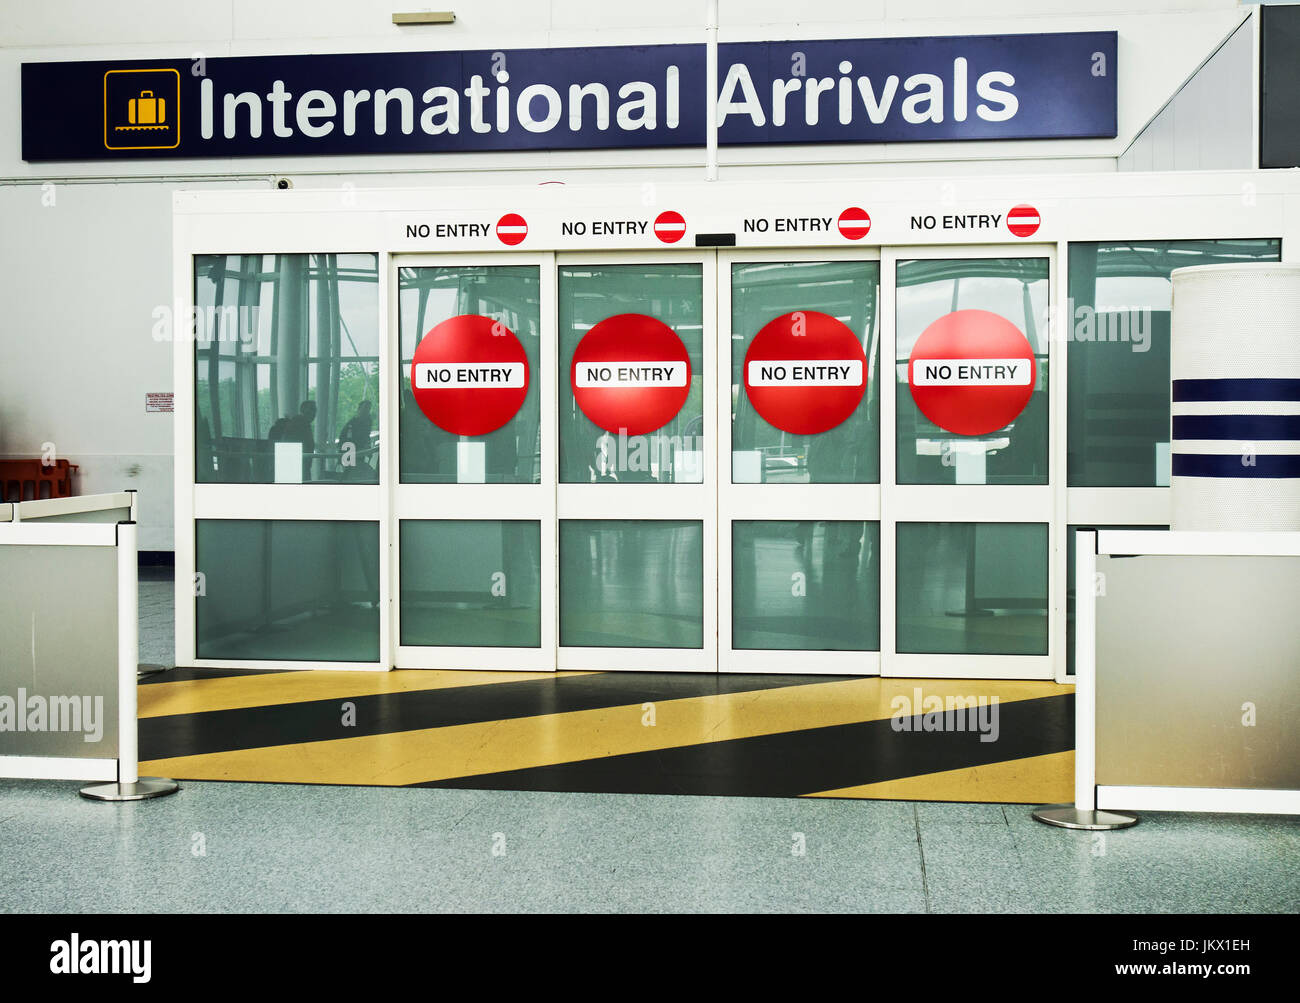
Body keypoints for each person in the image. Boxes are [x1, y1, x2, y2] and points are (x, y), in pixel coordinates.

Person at [338, 399, 374, 478]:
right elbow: (345, 440)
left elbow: (366, 436)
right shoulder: (351, 424)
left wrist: (367, 448)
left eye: (368, 409)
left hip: (360, 453)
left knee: (356, 474)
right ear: (359, 409)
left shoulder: (367, 422)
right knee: (349, 474)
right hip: (349, 452)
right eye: (364, 408)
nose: (366, 411)